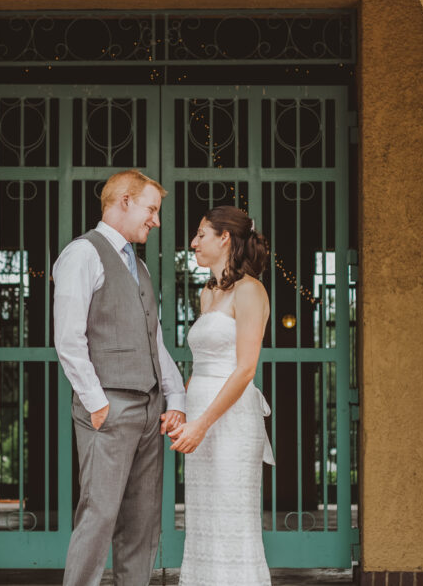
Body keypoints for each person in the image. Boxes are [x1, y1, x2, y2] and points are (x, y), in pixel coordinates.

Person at [52, 169, 187, 586]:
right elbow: (68, 337)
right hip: (109, 408)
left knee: (142, 523)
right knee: (99, 516)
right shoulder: (83, 254)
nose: (156, 220)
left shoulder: (140, 268)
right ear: (124, 201)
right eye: (151, 209)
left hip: (150, 411)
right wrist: (96, 402)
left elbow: (155, 341)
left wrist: (175, 398)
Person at [168, 205, 275, 586]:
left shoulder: (250, 291)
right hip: (199, 416)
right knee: (204, 518)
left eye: (201, 234)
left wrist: (202, 423)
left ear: (224, 238)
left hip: (228, 419)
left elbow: (245, 368)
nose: (194, 243)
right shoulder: (207, 293)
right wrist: (179, 409)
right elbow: (200, 365)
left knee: (231, 516)